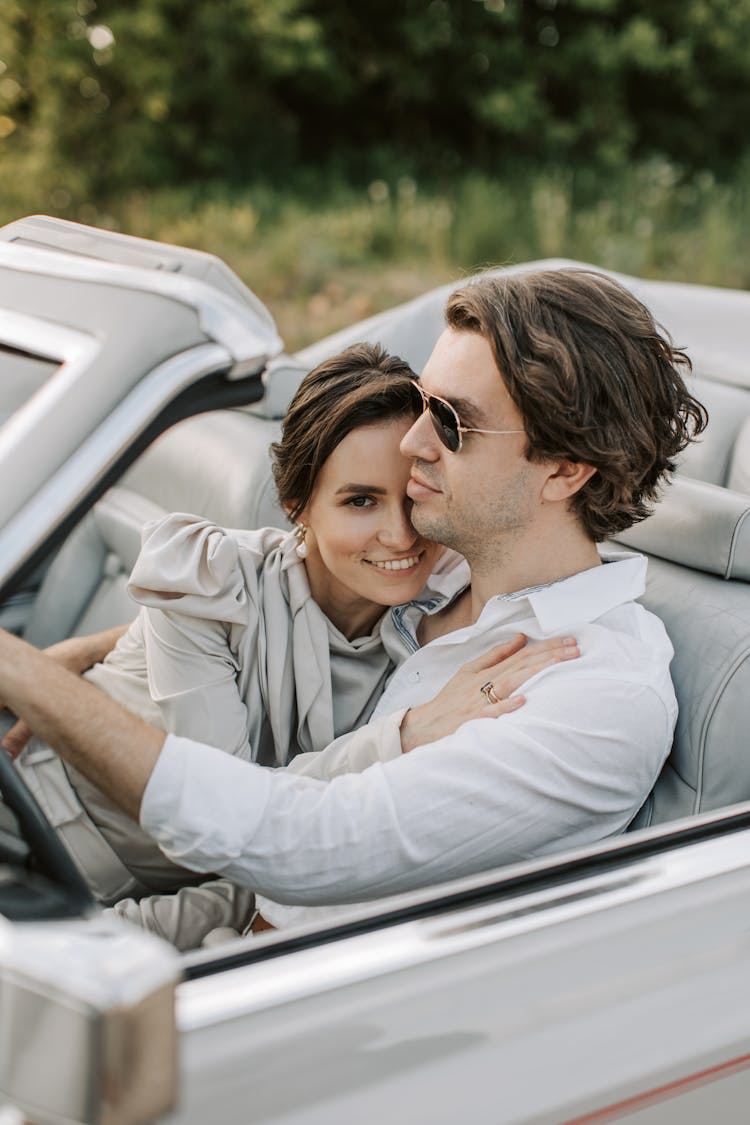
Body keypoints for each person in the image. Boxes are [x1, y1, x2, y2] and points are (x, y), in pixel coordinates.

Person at [0, 267, 707, 946]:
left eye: (452, 422)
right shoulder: (439, 572)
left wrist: (20, 668)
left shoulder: (594, 693)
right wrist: (100, 647)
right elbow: (276, 599)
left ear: (565, 469)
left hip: (280, 1002)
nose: (412, 442)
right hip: (184, 926)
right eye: (425, 404)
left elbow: (297, 844)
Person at [2, 341, 564, 912]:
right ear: (299, 504)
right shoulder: (203, 576)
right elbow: (218, 813)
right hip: (19, 824)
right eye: (361, 501)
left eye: (415, 494)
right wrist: (405, 736)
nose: (400, 535)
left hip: (118, 906)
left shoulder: (442, 618)